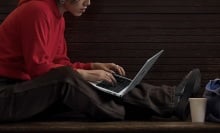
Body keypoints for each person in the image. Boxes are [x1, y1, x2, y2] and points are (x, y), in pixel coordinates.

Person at [0, 0, 201, 122]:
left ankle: (171, 98)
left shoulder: (58, 19)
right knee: (69, 78)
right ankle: (120, 113)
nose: (88, 3)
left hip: (28, 90)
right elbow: (40, 69)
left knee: (102, 79)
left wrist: (92, 67)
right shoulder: (37, 10)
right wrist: (84, 74)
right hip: (7, 96)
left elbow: (59, 64)